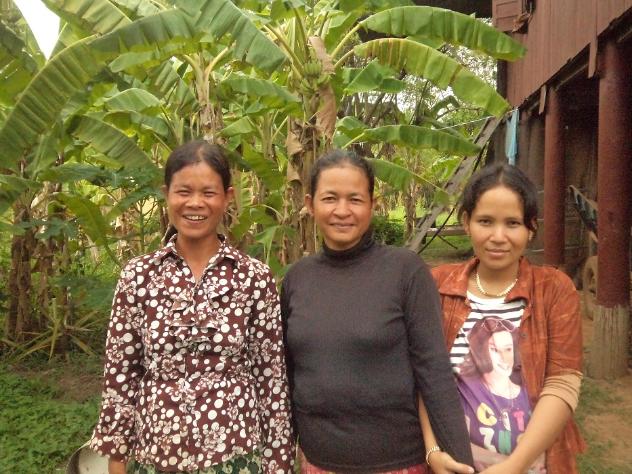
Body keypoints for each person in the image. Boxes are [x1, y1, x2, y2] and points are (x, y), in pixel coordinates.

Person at [89, 141, 294, 474]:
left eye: (208, 193)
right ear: (166, 194)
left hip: (236, 457)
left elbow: (271, 380)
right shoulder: (138, 276)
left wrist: (278, 464)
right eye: (183, 191)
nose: (195, 203)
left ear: (227, 197)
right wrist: (117, 459)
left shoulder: (254, 278)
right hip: (156, 455)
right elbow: (120, 375)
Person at [281, 150, 474, 473]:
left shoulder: (405, 271)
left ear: (373, 203)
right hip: (318, 462)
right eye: (330, 198)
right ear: (310, 203)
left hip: (398, 462)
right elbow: (287, 373)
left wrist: (459, 459)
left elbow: (433, 370)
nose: (342, 210)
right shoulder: (297, 278)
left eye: (355, 199)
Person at [424, 163, 585, 474]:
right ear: (466, 222)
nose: (498, 237)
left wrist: (513, 466)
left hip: (534, 466)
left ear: (530, 228)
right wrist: (432, 452)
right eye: (485, 221)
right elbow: (425, 376)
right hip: (454, 465)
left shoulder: (554, 289)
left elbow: (562, 384)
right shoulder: (438, 286)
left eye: (512, 223)